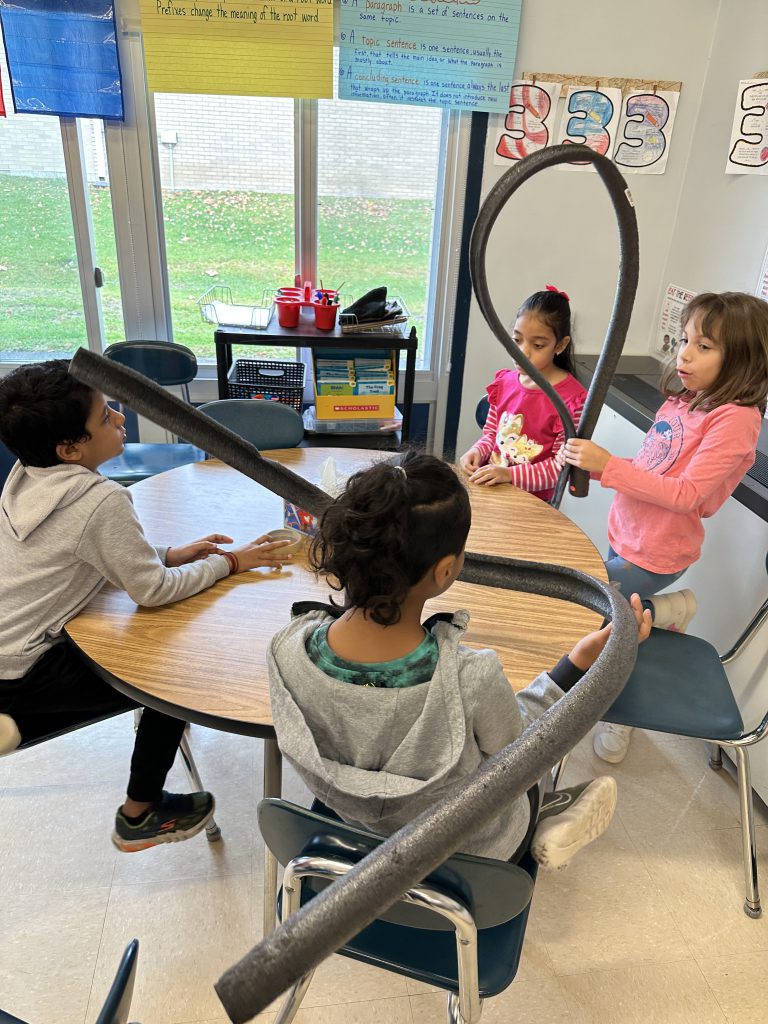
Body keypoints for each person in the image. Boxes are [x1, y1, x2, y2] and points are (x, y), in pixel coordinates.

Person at [268, 454, 650, 869]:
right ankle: (545, 814)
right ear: (446, 570)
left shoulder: (285, 650)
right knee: (532, 769)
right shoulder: (471, 678)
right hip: (468, 860)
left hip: (347, 844)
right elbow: (522, 750)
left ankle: (550, 811)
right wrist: (574, 665)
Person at [0, 360, 292, 852]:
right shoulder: (100, 498)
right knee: (172, 676)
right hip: (27, 670)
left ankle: (21, 720)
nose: (119, 418)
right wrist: (234, 564)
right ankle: (140, 813)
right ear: (70, 448)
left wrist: (170, 554)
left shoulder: (26, 476)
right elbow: (152, 591)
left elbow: (85, 549)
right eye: (104, 416)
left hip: (6, 650)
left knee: (154, 648)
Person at [563, 291, 768, 764]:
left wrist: (609, 466)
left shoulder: (736, 420)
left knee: (607, 622)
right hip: (628, 534)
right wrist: (594, 468)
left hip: (657, 551)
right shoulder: (684, 402)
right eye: (684, 339)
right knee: (608, 608)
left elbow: (687, 494)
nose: (684, 353)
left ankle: (617, 722)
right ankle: (668, 609)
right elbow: (655, 468)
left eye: (704, 345)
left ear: (742, 359)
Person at [459, 286, 587, 502]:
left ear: (560, 345)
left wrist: (509, 475)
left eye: (537, 345)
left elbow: (559, 467)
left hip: (533, 503)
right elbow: (491, 434)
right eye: (517, 340)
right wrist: (477, 452)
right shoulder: (504, 383)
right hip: (492, 491)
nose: (522, 352)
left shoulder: (572, 400)